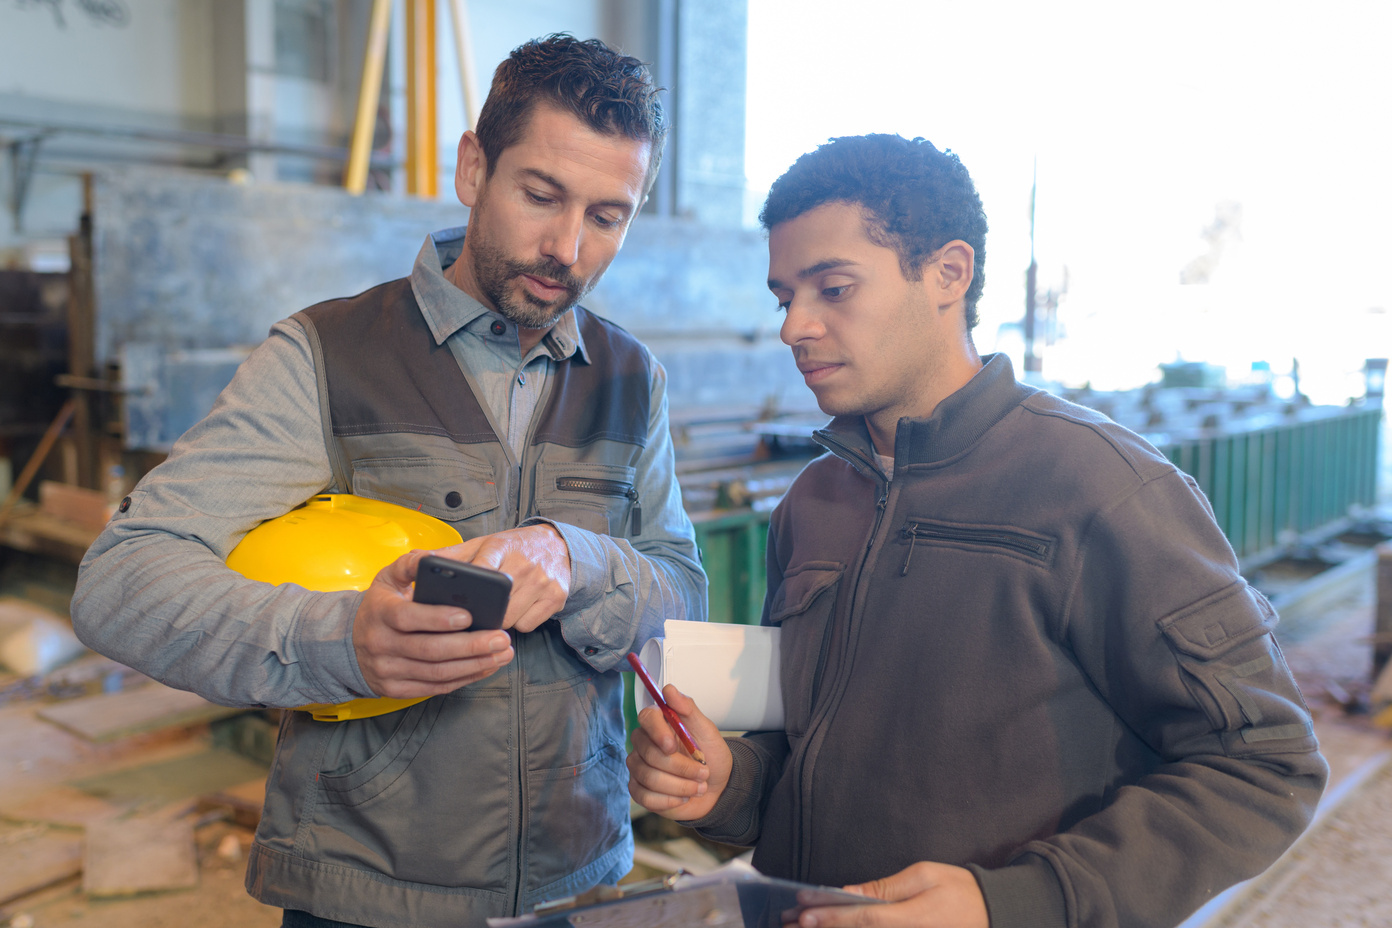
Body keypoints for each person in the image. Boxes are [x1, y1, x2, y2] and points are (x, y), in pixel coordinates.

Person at [72, 34, 706, 928]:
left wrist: (579, 557)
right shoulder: (327, 356)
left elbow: (680, 590)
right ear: (473, 167)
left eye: (608, 216)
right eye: (540, 195)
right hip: (364, 891)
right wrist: (340, 642)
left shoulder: (631, 379)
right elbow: (119, 581)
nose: (567, 247)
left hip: (573, 879)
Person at [626, 134, 1327, 928]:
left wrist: (1011, 903)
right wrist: (728, 783)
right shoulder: (814, 502)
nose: (795, 328)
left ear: (948, 274)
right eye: (786, 297)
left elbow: (1265, 766)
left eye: (834, 288)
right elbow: (791, 745)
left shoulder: (1100, 489)